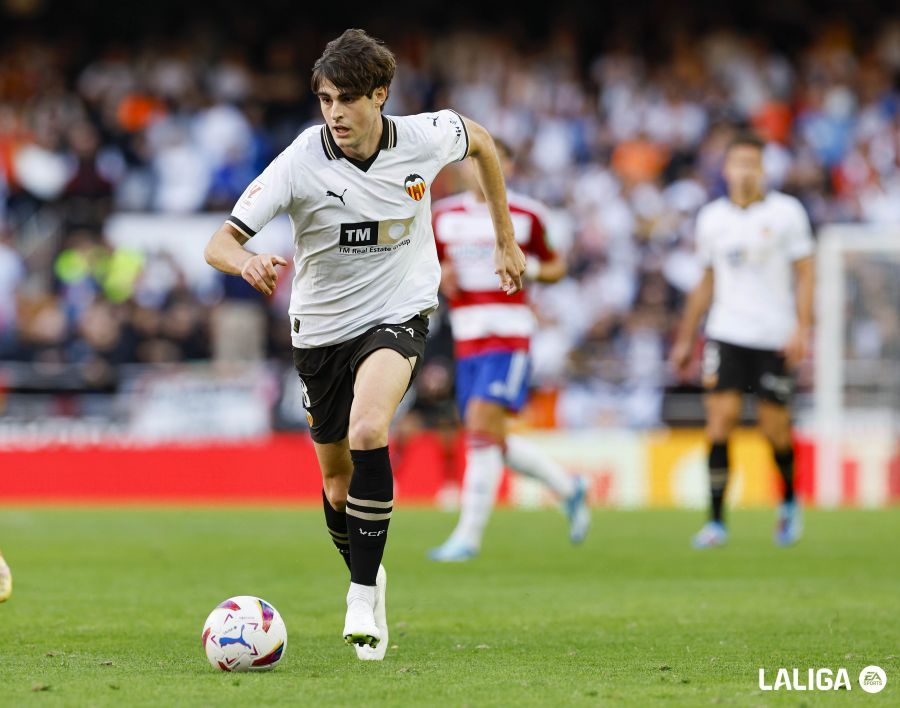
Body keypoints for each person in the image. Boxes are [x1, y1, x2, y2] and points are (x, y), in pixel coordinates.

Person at [204, 29, 526, 660]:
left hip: (399, 310)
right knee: (334, 487)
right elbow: (218, 241)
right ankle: (370, 571)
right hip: (321, 328)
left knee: (370, 428)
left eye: (347, 99)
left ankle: (358, 596)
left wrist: (505, 240)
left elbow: (482, 142)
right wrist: (245, 264)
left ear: (379, 96)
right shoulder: (301, 158)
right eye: (325, 99)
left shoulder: (424, 137)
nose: (335, 113)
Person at [428, 140, 590, 562]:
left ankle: (467, 536)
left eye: (491, 160)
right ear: (461, 167)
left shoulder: (528, 214)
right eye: (472, 160)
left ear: (508, 166)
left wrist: (524, 264)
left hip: (509, 334)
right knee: (488, 436)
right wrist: (439, 273)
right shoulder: (443, 217)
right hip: (466, 337)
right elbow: (427, 267)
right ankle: (569, 488)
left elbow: (557, 266)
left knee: (481, 426)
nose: (479, 168)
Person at [670, 131, 814, 549]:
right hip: (726, 332)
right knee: (719, 421)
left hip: (773, 335)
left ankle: (788, 502)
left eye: (753, 164)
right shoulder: (712, 218)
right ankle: (716, 522)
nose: (746, 172)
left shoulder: (788, 213)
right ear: (726, 169)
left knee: (775, 429)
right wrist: (684, 338)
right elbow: (706, 280)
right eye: (738, 164)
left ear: (764, 169)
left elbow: (805, 273)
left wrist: (802, 328)